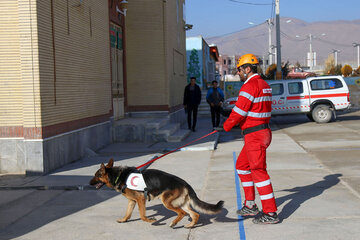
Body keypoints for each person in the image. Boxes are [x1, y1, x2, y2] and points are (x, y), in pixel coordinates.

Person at [222, 54, 279, 224]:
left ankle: (270, 213)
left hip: (255, 135)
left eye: (239, 69)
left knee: (258, 171)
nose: (238, 73)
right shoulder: (264, 84)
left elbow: (239, 112)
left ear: (247, 69)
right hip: (259, 133)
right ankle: (250, 204)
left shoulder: (249, 86)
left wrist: (225, 126)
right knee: (242, 166)